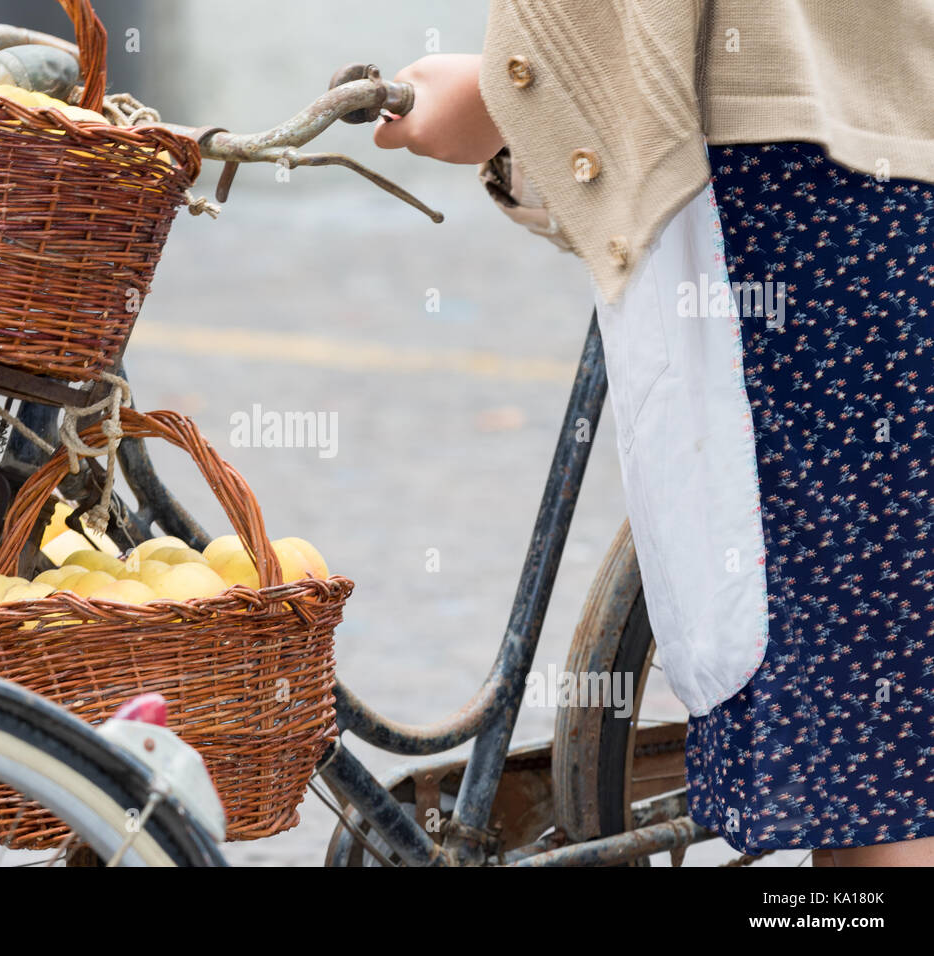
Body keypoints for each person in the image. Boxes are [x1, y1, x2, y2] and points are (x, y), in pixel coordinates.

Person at [374, 3, 934, 868]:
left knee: (863, 796)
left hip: (800, 186)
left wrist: (503, 91)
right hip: (883, 137)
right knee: (880, 740)